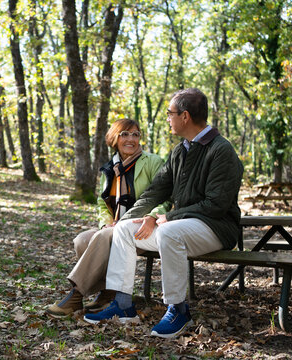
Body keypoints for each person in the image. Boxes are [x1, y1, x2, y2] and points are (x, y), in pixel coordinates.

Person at [84, 88, 244, 339]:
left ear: (185, 116)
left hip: (216, 227)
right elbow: (154, 192)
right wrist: (122, 221)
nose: (168, 118)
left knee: (168, 231)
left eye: (170, 113)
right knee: (126, 231)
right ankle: (123, 304)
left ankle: (178, 309)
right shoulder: (180, 151)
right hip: (183, 227)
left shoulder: (221, 150)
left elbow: (217, 204)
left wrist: (170, 216)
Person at [46, 119, 169, 317]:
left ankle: (76, 295)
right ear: (114, 138)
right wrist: (106, 223)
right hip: (114, 225)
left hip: (140, 226)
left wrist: (152, 216)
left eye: (135, 134)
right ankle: (107, 293)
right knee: (82, 240)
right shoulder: (111, 167)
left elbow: (165, 197)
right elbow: (101, 202)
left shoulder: (153, 162)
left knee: (103, 239)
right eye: (125, 134)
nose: (131, 139)